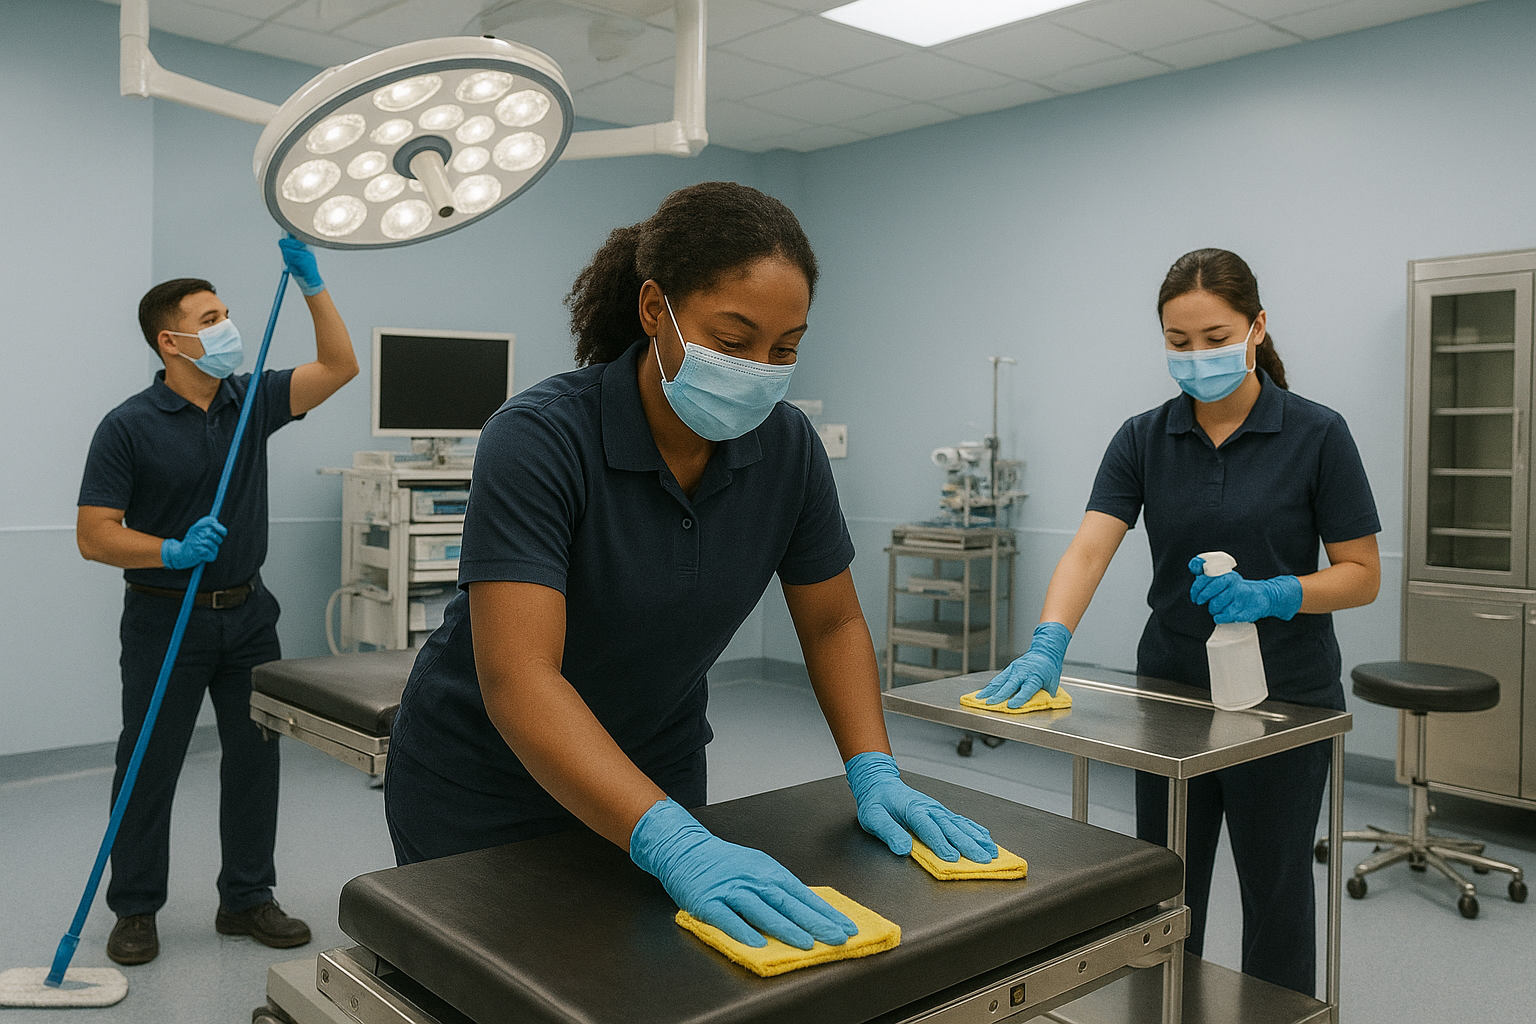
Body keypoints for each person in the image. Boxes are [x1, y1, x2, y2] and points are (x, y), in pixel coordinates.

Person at [385, 181, 998, 952]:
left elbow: (834, 619)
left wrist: (874, 768)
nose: (760, 370)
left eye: (785, 349)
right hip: (486, 783)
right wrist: (673, 845)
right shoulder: (541, 439)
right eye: (733, 340)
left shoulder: (789, 450)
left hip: (659, 768)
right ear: (655, 312)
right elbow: (521, 679)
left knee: (657, 984)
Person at [978, 248, 1380, 995]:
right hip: (1172, 694)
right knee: (1164, 891)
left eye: (1216, 336)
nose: (1198, 356)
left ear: (1258, 327)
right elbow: (1090, 550)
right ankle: (1165, 1012)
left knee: (1277, 894)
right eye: (1178, 342)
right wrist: (1048, 642)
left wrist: (1277, 594)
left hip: (1284, 702)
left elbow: (1362, 575)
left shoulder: (1318, 434)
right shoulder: (1144, 438)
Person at [76, 237, 358, 966]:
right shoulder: (128, 426)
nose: (227, 325)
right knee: (148, 763)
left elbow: (340, 367)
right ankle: (135, 909)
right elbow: (95, 535)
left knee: (255, 759)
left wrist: (312, 288)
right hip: (164, 616)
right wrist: (168, 550)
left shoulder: (251, 399)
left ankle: (246, 899)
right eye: (211, 317)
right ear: (171, 341)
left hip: (249, 615)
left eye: (228, 312)